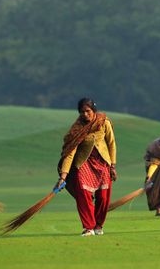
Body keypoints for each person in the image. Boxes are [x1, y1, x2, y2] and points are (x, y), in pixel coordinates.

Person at [55, 98, 117, 236]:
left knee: (103, 196)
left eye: (88, 111)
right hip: (84, 164)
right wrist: (63, 176)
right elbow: (70, 153)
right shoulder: (76, 129)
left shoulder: (104, 122)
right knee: (83, 194)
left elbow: (111, 144)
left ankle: (98, 226)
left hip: (103, 163)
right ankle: (88, 227)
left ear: (93, 111)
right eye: (82, 112)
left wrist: (113, 165)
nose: (85, 114)